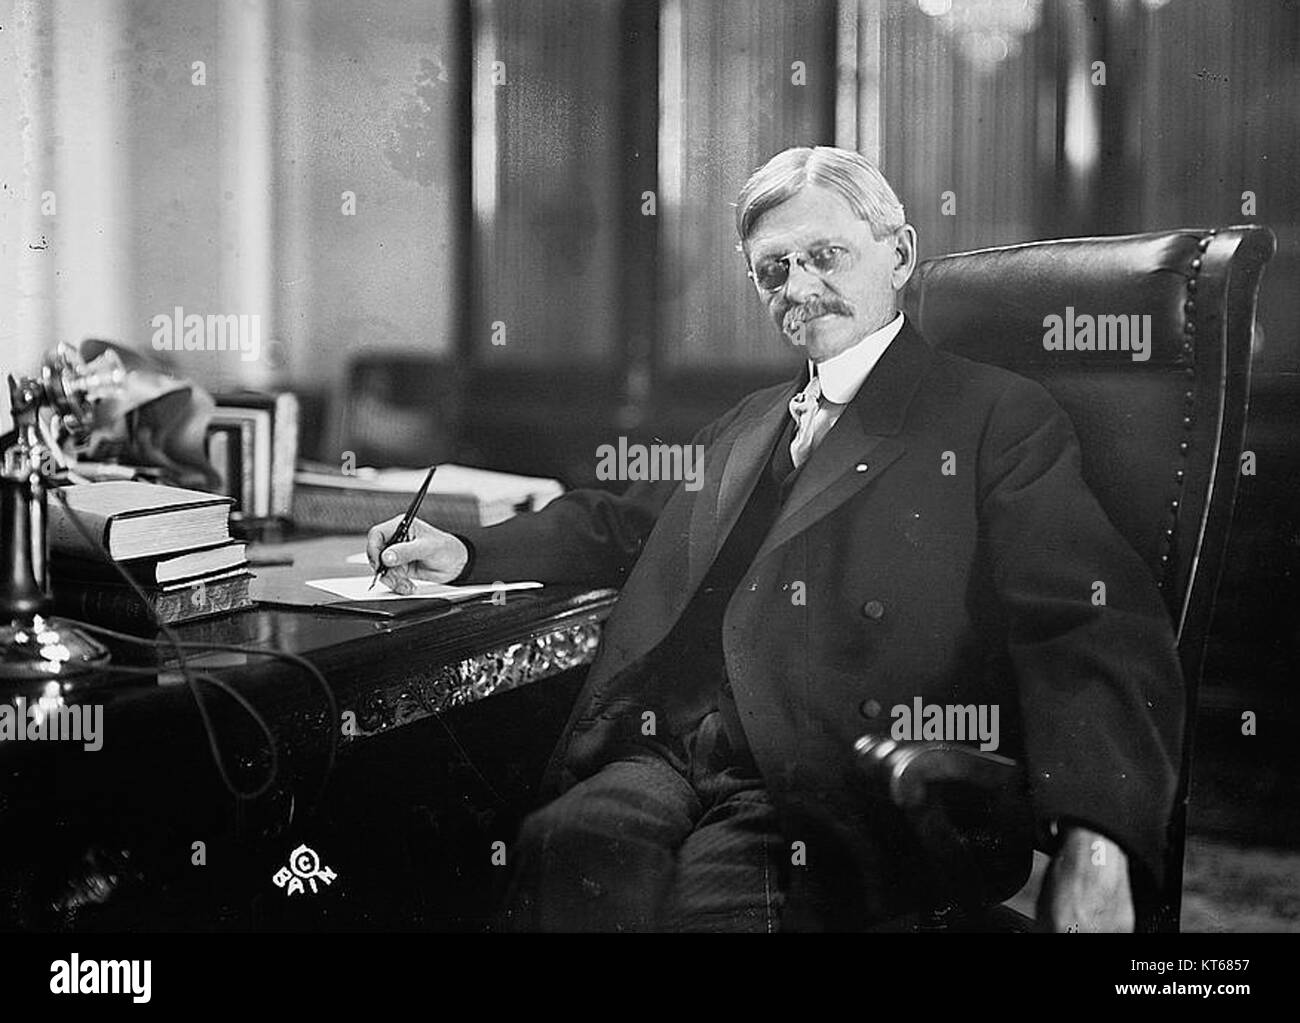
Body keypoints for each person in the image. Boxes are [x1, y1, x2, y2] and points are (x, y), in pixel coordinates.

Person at [367, 146, 1183, 932]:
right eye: (774, 269)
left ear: (898, 255)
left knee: (712, 909)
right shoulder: (751, 420)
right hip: (678, 750)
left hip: (833, 776)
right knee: (567, 849)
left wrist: (1098, 836)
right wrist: (470, 551)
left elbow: (1087, 616)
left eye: (826, 254)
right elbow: (624, 521)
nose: (801, 286)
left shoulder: (994, 417)